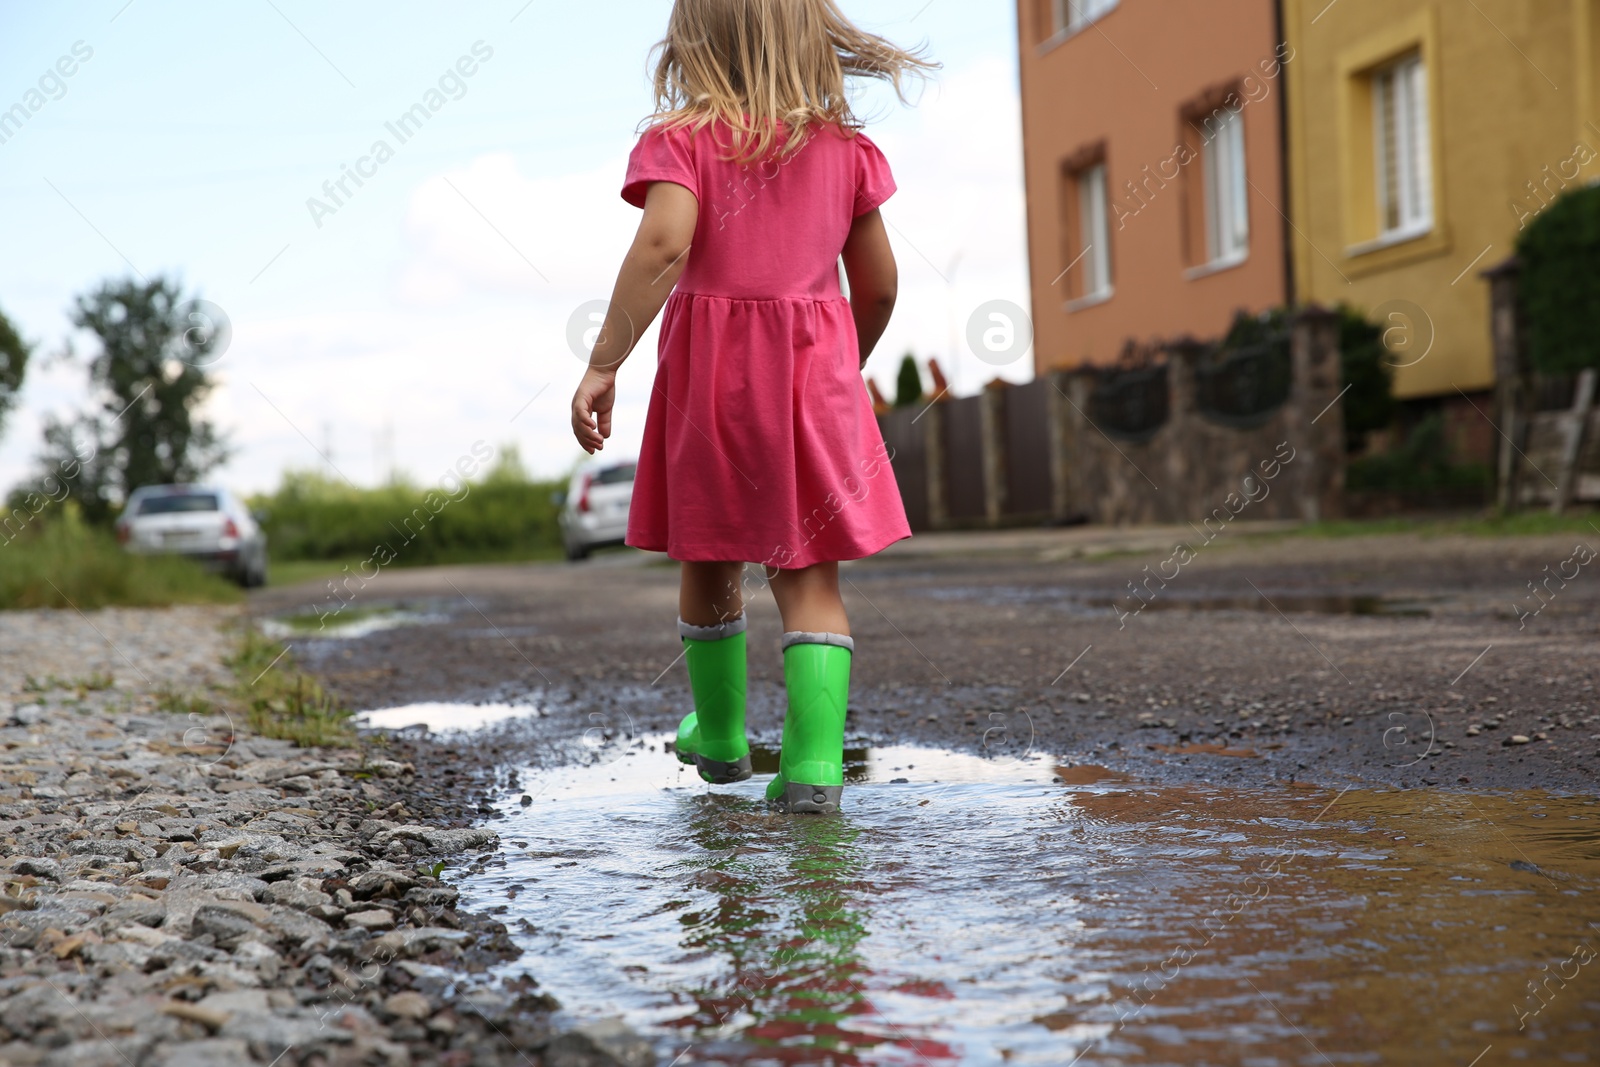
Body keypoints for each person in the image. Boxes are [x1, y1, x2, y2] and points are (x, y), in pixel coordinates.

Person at [570, 0, 934, 814]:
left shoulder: (682, 142)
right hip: (812, 382)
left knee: (709, 554)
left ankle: (724, 734)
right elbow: (878, 286)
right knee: (808, 572)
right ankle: (812, 763)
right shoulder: (846, 152)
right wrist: (842, 366)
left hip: (713, 387)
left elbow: (664, 244)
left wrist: (604, 362)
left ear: (694, 41)